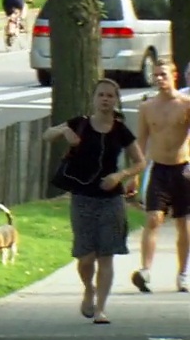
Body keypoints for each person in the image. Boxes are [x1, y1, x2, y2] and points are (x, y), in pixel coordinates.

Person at [43, 78, 147, 324]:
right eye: (101, 95)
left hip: (110, 199)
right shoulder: (80, 124)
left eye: (110, 96)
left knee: (106, 255)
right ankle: (88, 287)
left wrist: (120, 175)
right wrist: (62, 131)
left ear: (116, 100)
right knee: (86, 257)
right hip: (82, 198)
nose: (105, 100)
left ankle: (101, 308)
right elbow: (47, 135)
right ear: (93, 98)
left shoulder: (121, 130)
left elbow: (140, 161)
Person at [132, 59, 190, 294]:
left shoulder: (186, 104)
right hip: (159, 170)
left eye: (163, 74)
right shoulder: (147, 107)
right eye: (155, 75)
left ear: (174, 75)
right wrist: (134, 174)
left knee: (183, 224)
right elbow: (141, 142)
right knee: (153, 219)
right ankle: (145, 271)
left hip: (183, 169)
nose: (159, 79)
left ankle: (183, 274)